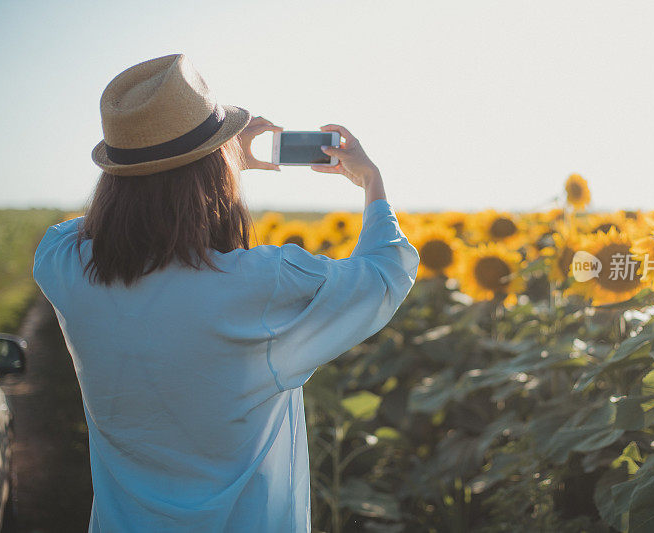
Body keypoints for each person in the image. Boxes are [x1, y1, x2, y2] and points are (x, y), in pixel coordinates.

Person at [32, 53, 419, 532]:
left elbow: (74, 231)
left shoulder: (68, 270)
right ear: (213, 172)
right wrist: (370, 179)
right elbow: (386, 272)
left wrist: (183, 162)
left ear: (116, 177)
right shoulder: (261, 284)